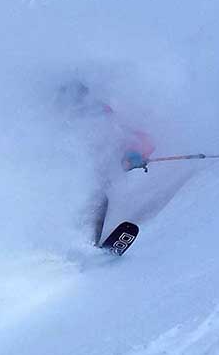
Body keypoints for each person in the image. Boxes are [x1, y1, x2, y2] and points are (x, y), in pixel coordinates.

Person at [55, 80, 155, 244]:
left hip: (94, 178)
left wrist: (133, 155)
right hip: (63, 180)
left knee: (96, 199)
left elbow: (138, 140)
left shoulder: (103, 115)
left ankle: (88, 243)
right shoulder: (54, 125)